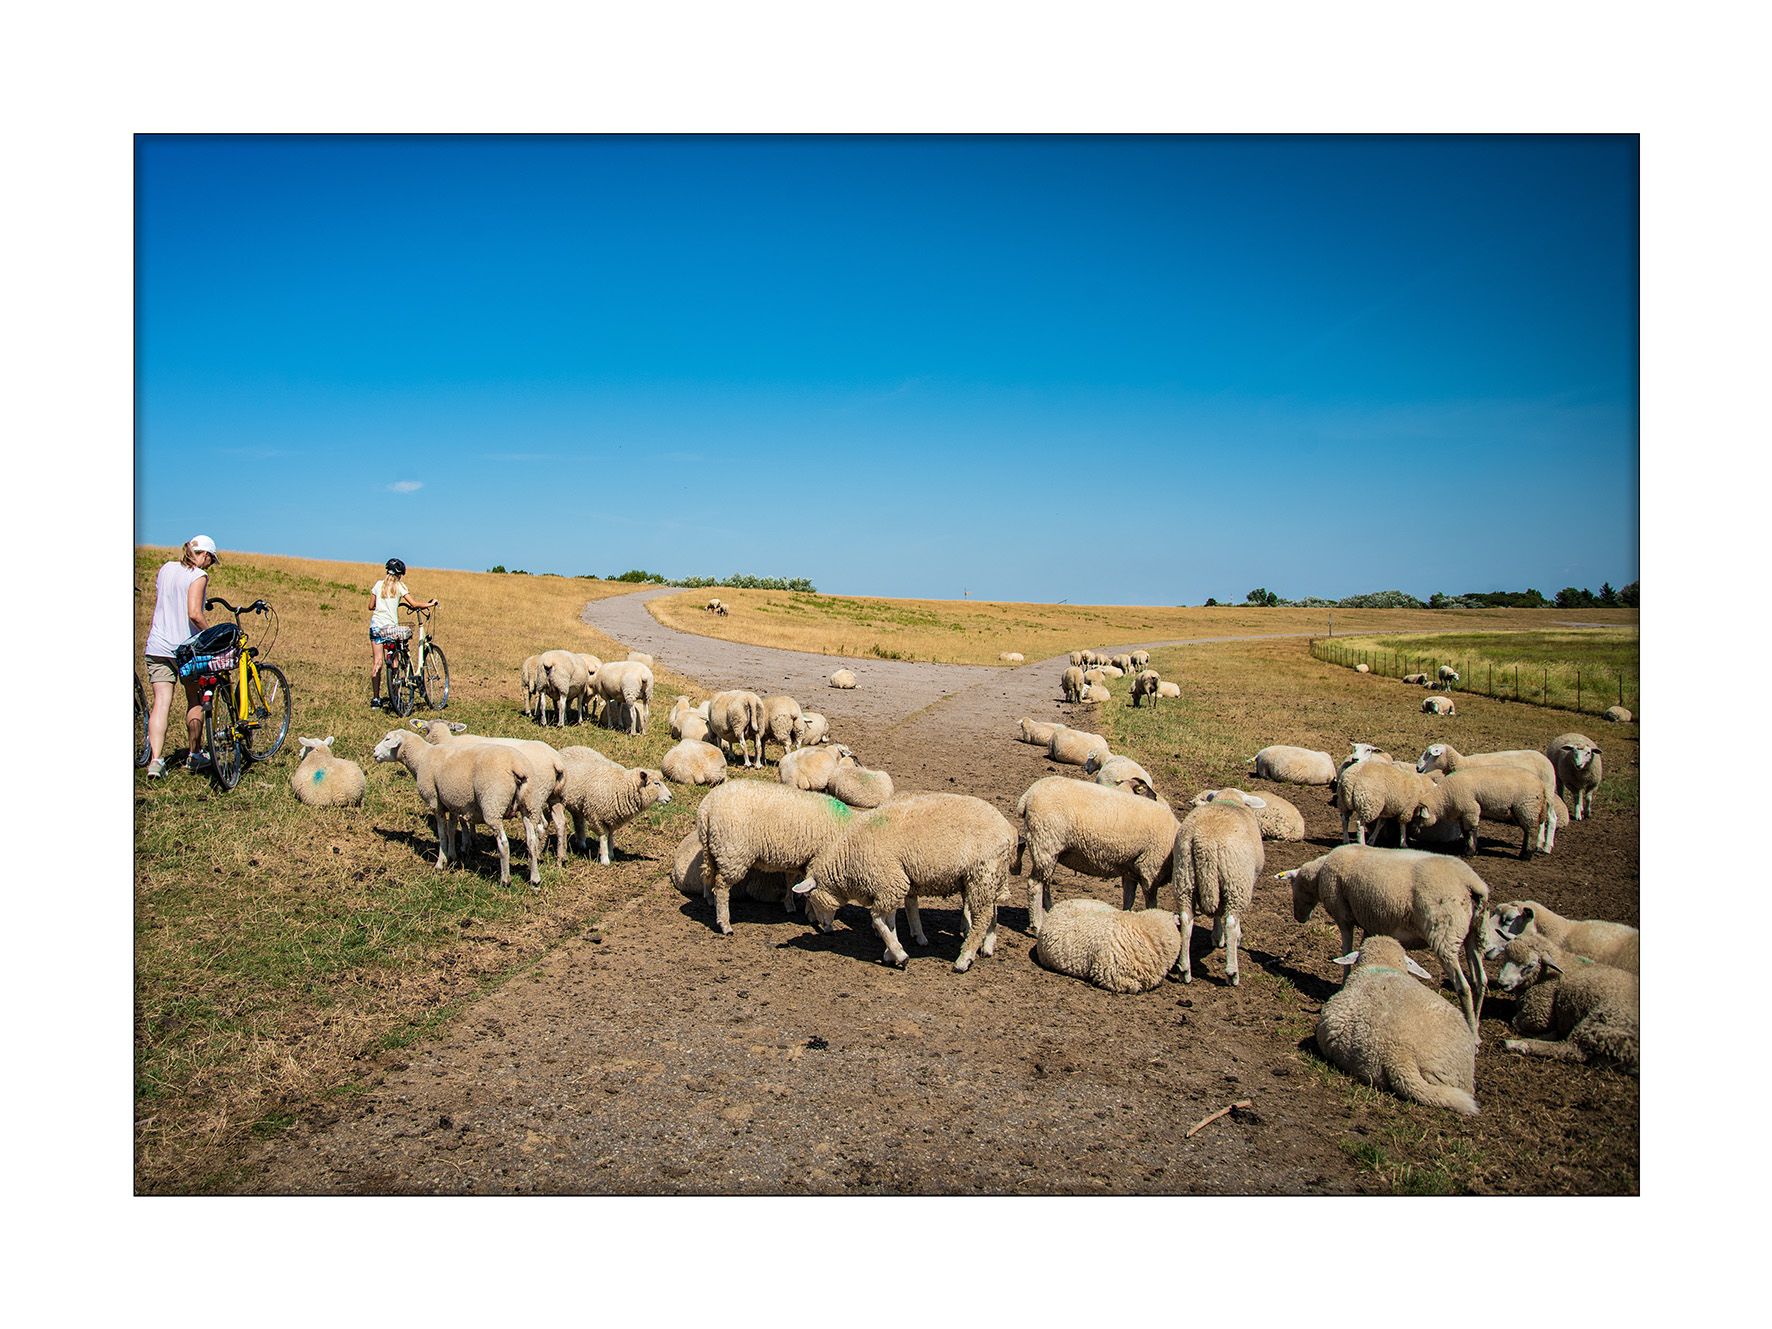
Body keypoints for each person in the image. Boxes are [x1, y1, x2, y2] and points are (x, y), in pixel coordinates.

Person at [142, 535, 218, 777]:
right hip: (185, 650)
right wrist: (211, 635)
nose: (210, 566)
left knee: (161, 703)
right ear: (205, 555)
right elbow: (194, 613)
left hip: (157, 646)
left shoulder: (166, 568)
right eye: (211, 560)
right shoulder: (198, 575)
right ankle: (195, 755)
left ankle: (156, 761)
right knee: (195, 700)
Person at [369, 558, 437, 709]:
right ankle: (395, 696)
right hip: (391, 628)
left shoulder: (378, 585)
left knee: (377, 662)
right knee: (395, 661)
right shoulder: (399, 586)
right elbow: (413, 604)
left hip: (376, 627)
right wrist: (430, 603)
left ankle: (376, 699)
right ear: (400, 574)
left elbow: (371, 606)